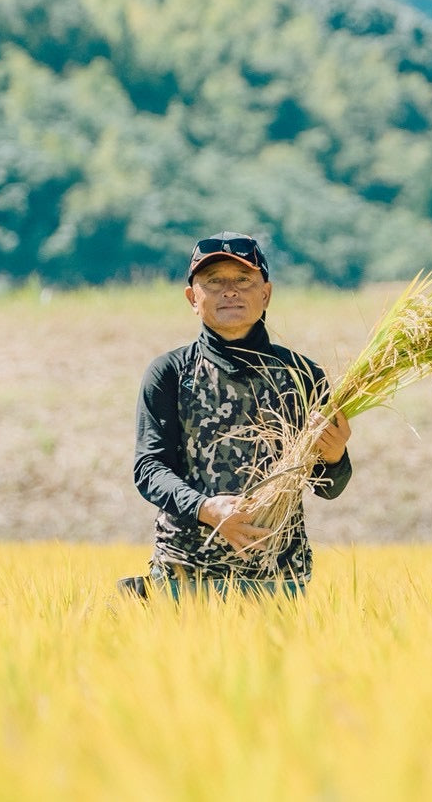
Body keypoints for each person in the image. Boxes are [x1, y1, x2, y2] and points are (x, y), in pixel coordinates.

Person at [122, 232, 353, 599]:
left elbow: (329, 488)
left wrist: (334, 455)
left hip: (280, 579)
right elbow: (149, 469)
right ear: (191, 298)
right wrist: (206, 508)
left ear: (266, 293)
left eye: (243, 279)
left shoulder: (302, 375)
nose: (230, 290)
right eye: (214, 281)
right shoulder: (170, 372)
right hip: (186, 576)